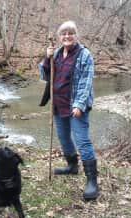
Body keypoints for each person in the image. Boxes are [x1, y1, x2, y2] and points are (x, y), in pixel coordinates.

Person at [38, 20, 99, 200]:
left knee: (82, 141)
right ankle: (72, 167)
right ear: (59, 37)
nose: (67, 36)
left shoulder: (84, 55)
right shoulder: (56, 53)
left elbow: (86, 82)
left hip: (75, 107)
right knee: (64, 139)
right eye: (63, 34)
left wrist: (79, 104)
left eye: (70, 33)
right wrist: (46, 59)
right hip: (59, 104)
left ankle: (92, 181)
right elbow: (45, 76)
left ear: (75, 35)